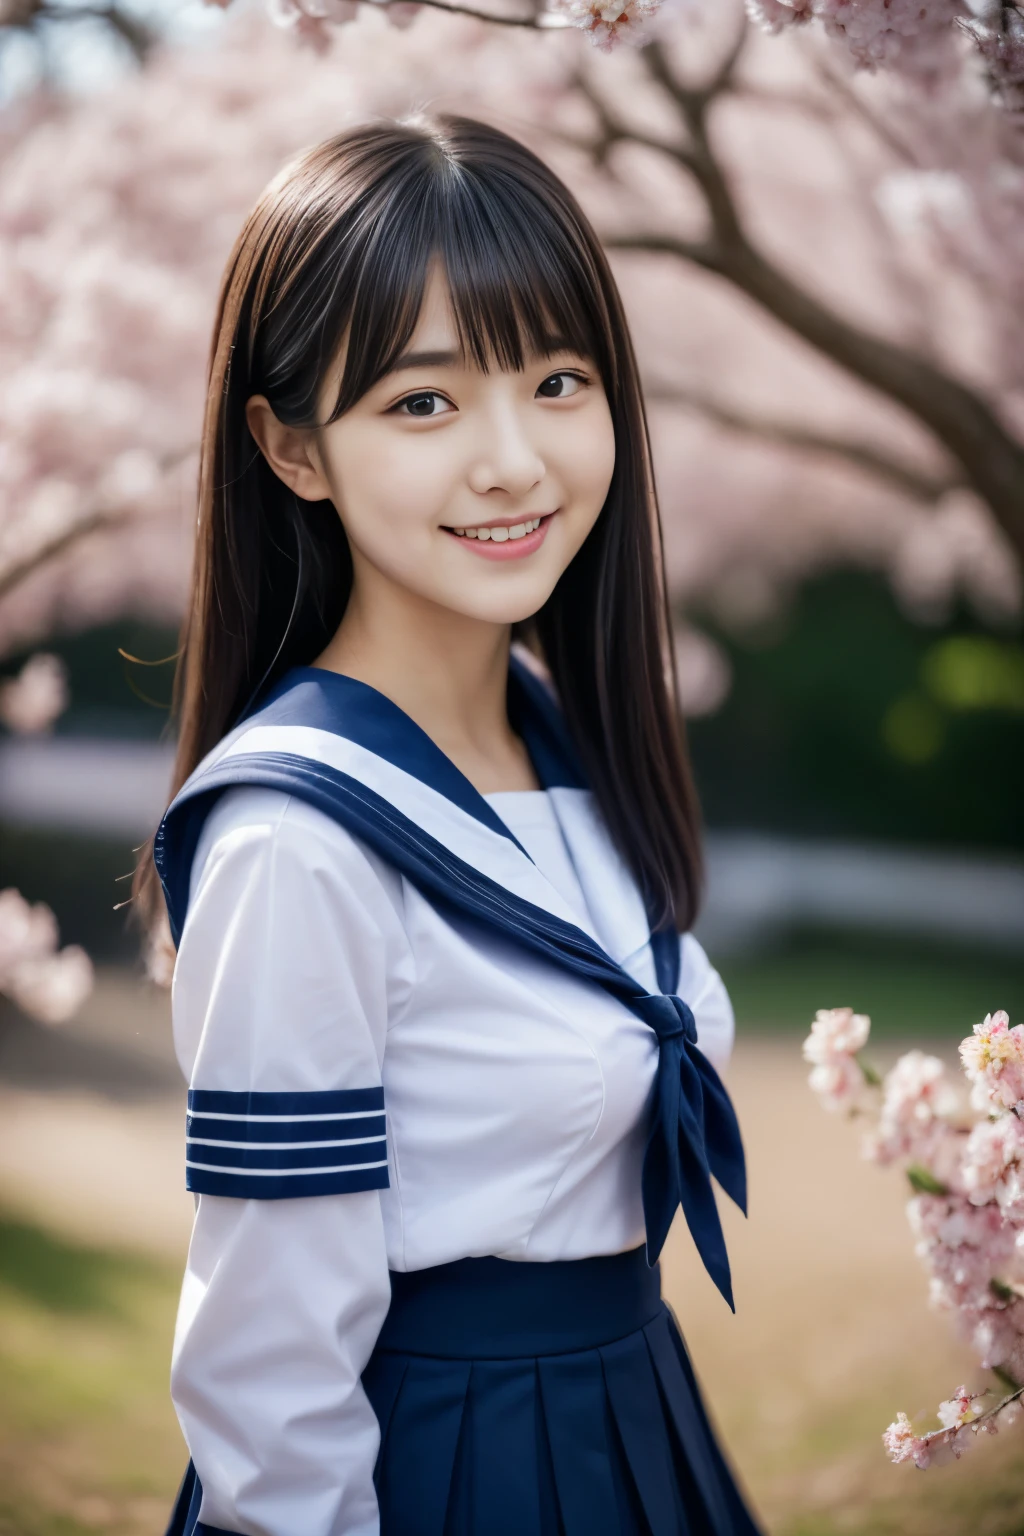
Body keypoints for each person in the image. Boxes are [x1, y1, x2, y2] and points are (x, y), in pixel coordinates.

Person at [144, 113, 762, 1536]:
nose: (514, 463)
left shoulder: (568, 741)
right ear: (293, 449)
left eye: (557, 380)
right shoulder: (300, 839)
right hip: (443, 1466)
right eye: (424, 403)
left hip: (636, 1424)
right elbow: (265, 1379)